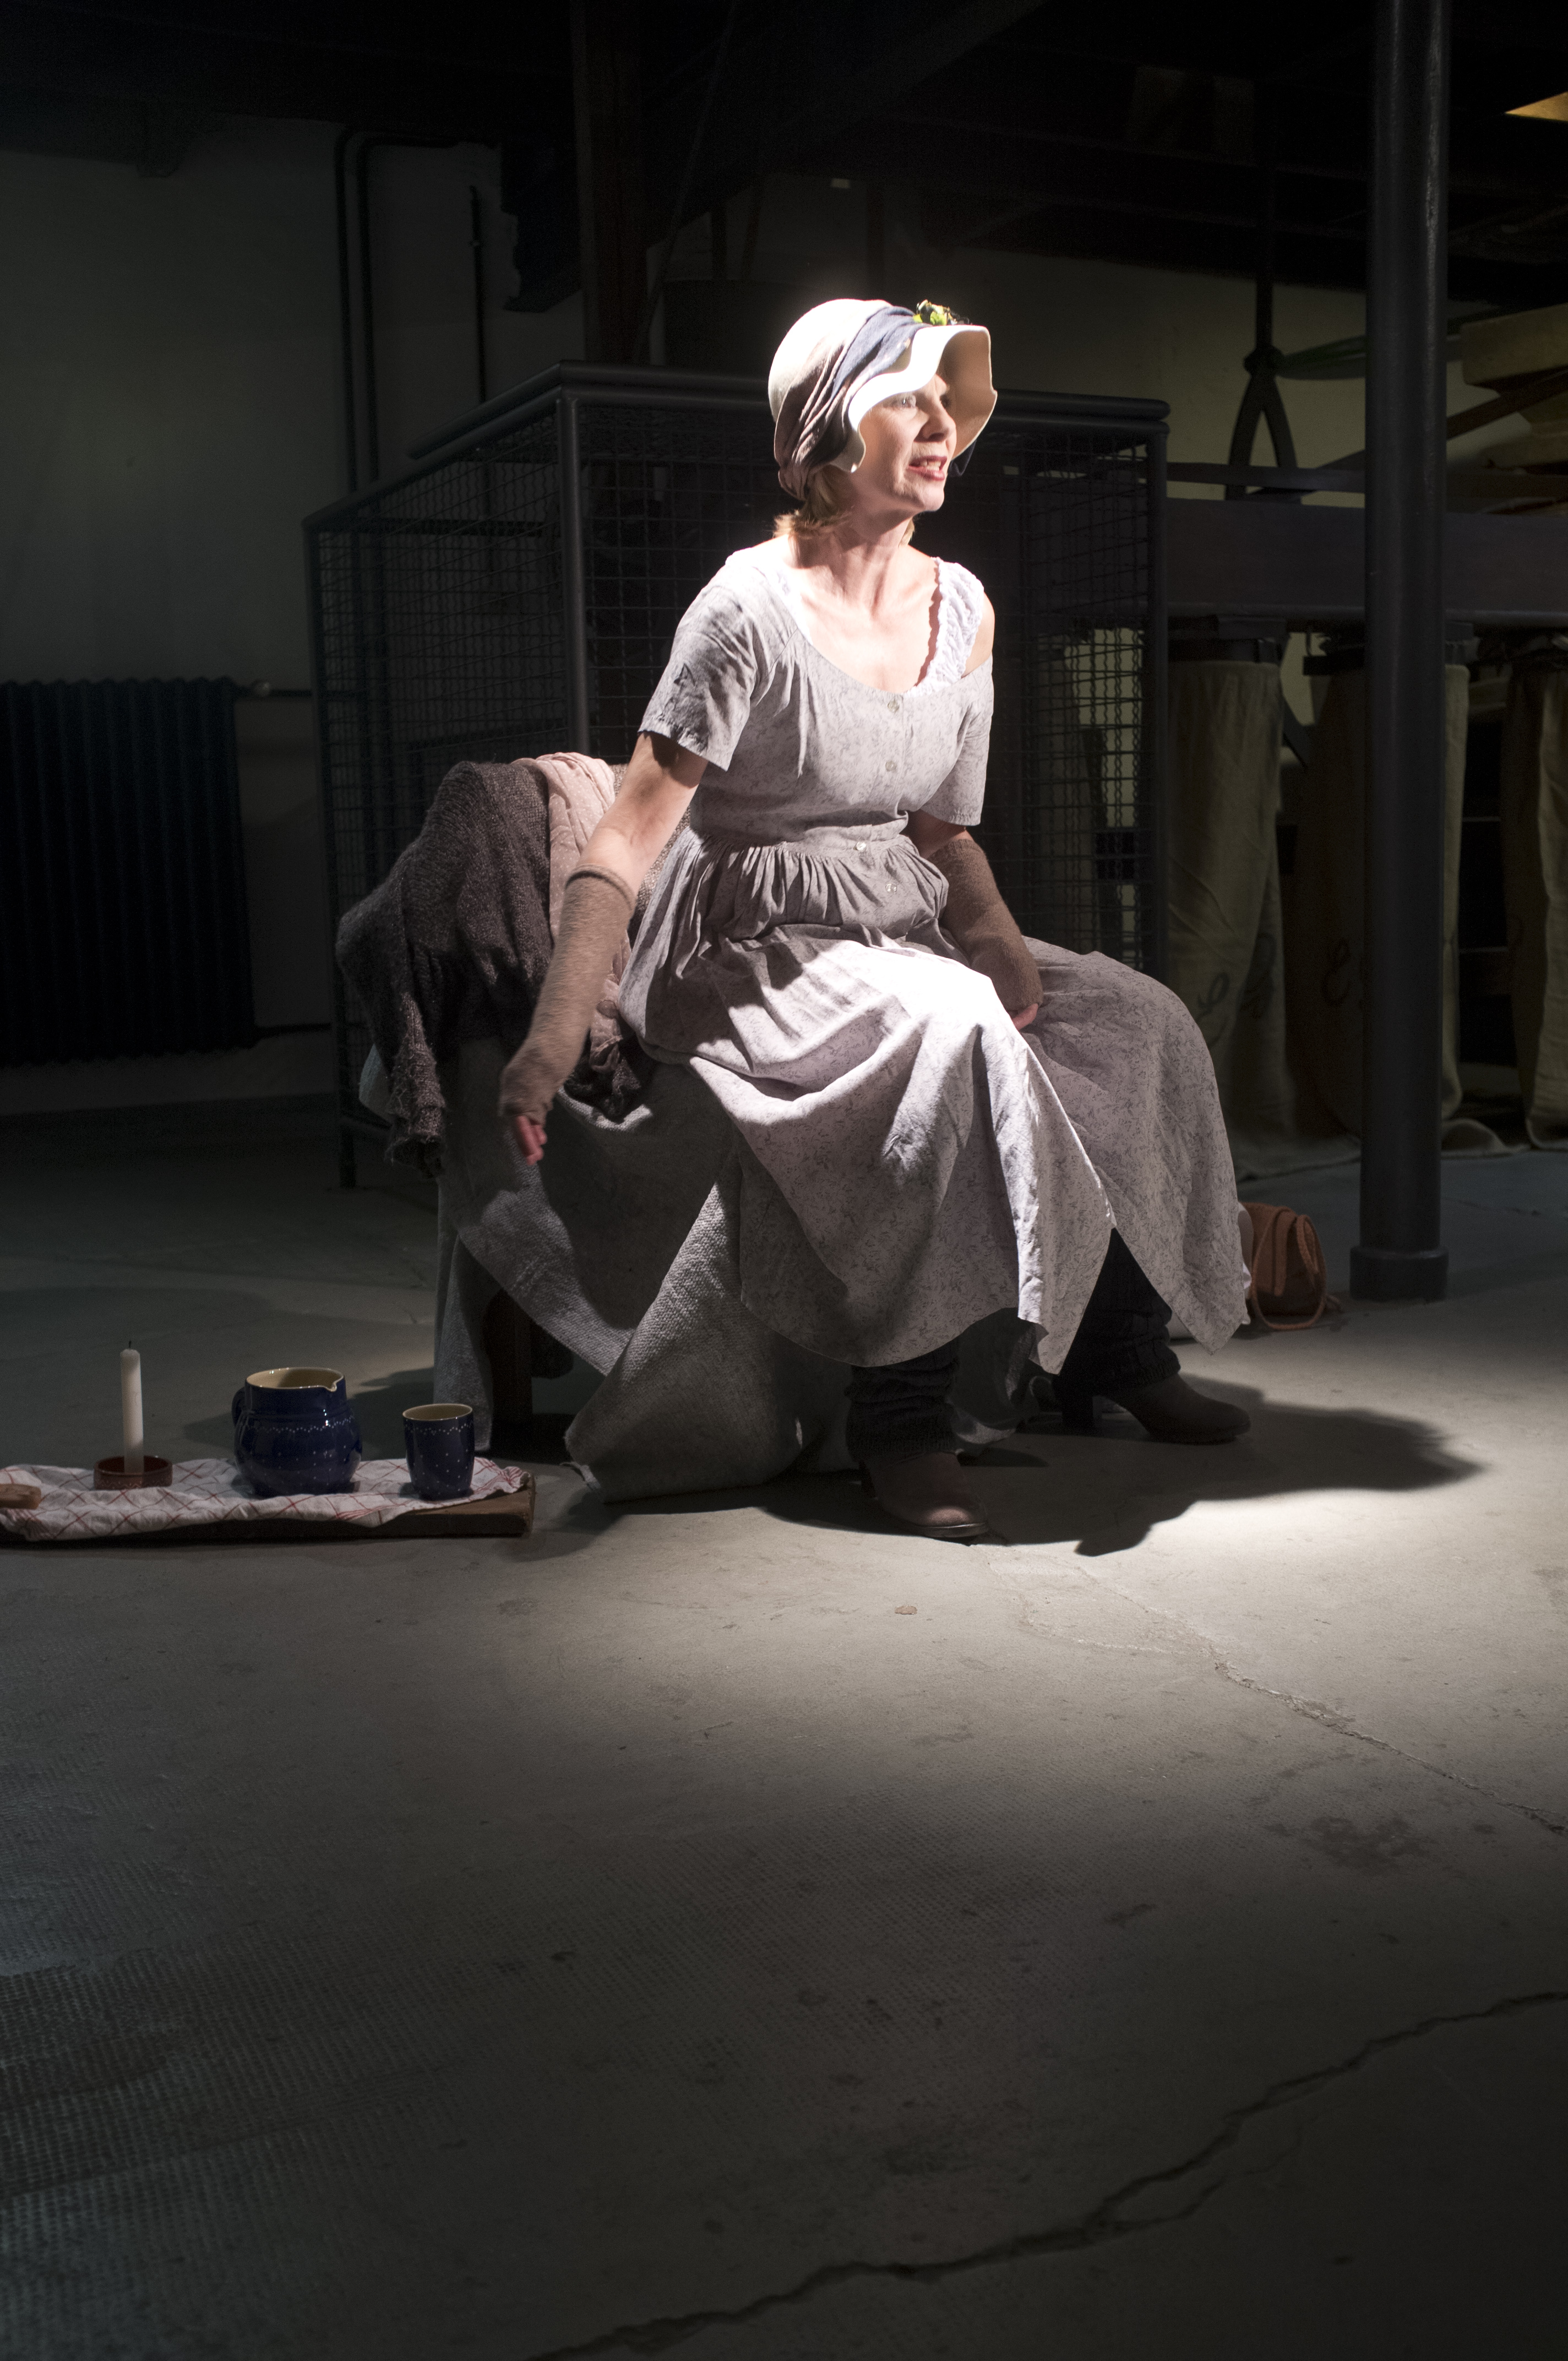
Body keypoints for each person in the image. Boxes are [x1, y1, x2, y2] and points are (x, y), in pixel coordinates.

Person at [499, 297, 1249, 1540]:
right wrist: (553, 1030)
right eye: (909, 397)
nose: (943, 424)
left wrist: (997, 938)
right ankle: (898, 1418)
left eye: (952, 401)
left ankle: (1114, 1347)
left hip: (898, 920)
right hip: (745, 940)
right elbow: (626, 835)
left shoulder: (963, 607)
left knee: (1136, 1021)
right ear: (828, 430)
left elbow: (941, 830)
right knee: (953, 1030)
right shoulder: (743, 614)